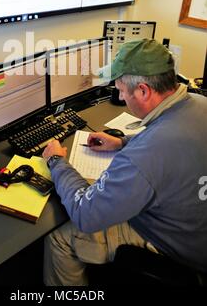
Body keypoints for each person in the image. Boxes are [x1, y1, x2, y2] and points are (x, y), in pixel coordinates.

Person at [42, 39, 207, 286]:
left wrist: (56, 160)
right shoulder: (199, 103)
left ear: (143, 90)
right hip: (197, 227)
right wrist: (122, 142)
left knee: (60, 239)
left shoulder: (144, 156)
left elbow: (85, 214)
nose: (119, 96)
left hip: (180, 248)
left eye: (121, 90)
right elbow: (172, 144)